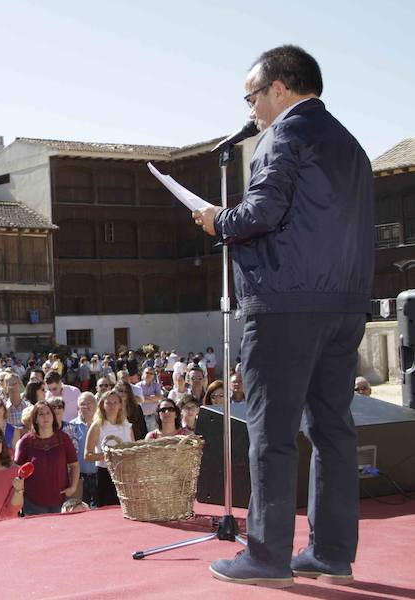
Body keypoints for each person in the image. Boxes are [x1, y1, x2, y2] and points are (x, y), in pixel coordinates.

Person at [195, 45, 373, 588]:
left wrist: (215, 218)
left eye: (251, 96)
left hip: (285, 304)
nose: (249, 109)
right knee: (332, 431)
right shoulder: (351, 145)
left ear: (280, 88)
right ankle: (330, 552)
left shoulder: (284, 135)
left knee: (271, 431)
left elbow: (262, 213)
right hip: (343, 306)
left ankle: (267, 556)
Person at [13, 400, 79, 514]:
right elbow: (17, 469)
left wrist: (73, 487)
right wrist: (20, 490)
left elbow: (75, 465)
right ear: (35, 419)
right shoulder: (26, 441)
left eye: (48, 413)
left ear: (53, 416)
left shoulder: (63, 438)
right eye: (41, 414)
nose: (45, 417)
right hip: (33, 502)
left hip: (61, 499)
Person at [84, 390, 133, 506]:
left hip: (126, 474)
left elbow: (133, 448)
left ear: (120, 405)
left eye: (115, 402)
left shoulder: (127, 425)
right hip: (106, 475)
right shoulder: (97, 426)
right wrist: (110, 455)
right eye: (108, 403)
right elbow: (87, 456)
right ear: (102, 405)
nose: (112, 406)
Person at [63, 392, 97, 507]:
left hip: (99, 476)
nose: (86, 406)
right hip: (79, 478)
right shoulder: (71, 427)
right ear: (78, 408)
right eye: (83, 404)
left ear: (96, 405)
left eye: (89, 403)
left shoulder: (101, 425)